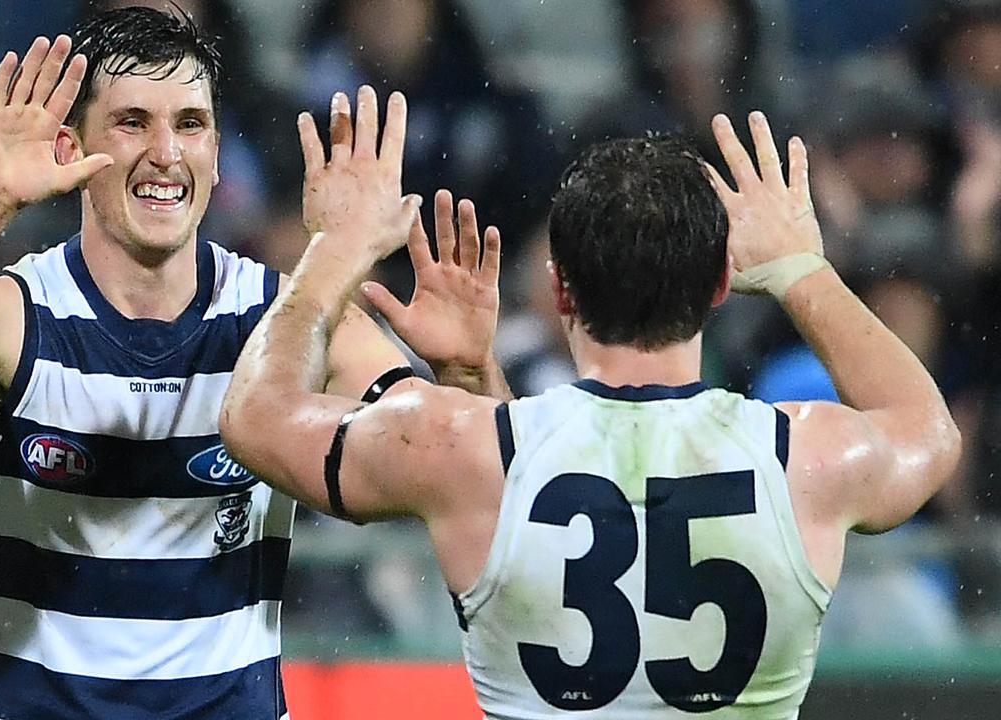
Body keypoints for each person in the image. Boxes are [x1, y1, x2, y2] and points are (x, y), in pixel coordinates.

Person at [0, 8, 506, 719]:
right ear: (71, 145)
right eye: (132, 121)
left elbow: (460, 472)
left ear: (215, 148)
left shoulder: (284, 322)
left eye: (189, 123)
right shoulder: (12, 313)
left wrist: (466, 372)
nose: (165, 153)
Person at [220, 89, 962, 717]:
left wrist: (338, 248)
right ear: (716, 289)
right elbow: (928, 431)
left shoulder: (466, 449)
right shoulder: (806, 457)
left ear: (558, 291)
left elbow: (256, 417)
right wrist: (802, 269)